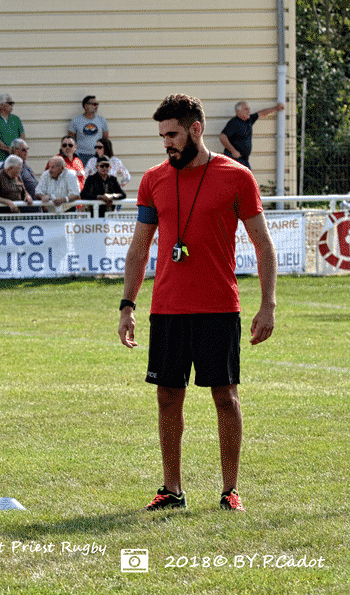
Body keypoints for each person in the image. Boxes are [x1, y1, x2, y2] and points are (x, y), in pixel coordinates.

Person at [118, 93, 277, 514]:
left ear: (195, 129)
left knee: (225, 396)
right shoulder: (153, 179)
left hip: (219, 307)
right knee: (168, 397)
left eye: (172, 134)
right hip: (167, 308)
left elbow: (263, 244)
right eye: (161, 136)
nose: (166, 143)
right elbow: (139, 248)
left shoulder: (236, 177)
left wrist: (269, 305)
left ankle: (230, 491)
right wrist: (127, 304)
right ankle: (171, 489)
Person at [219, 100, 285, 169]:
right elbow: (222, 137)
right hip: (233, 159)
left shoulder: (249, 120)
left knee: (247, 178)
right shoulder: (233, 123)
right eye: (246, 109)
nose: (249, 111)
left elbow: (261, 113)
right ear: (238, 111)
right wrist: (233, 151)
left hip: (244, 159)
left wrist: (276, 108)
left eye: (249, 109)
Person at [0, 94, 25, 175]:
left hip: (15, 159)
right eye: (10, 103)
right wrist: (8, 149)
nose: (12, 105)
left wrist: (19, 148)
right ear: (2, 105)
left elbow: (22, 135)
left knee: (15, 182)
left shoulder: (16, 119)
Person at [68, 95, 109, 166]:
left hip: (97, 155)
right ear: (86, 106)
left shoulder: (102, 120)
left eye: (97, 104)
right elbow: (71, 139)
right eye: (94, 104)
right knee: (82, 176)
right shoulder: (76, 121)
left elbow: (105, 139)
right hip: (80, 155)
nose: (96, 106)